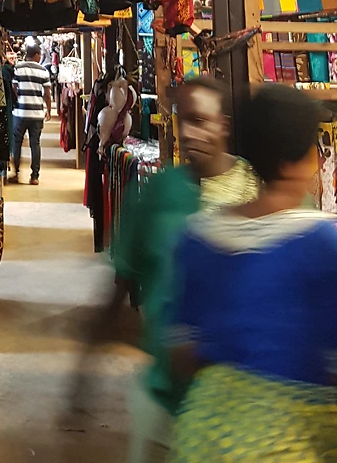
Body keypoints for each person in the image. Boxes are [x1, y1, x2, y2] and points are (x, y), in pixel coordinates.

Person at [167, 85, 337, 463]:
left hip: (201, 437)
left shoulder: (196, 235)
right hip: (284, 446)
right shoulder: (325, 244)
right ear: (306, 159)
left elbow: (181, 356)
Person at [111, 76, 258, 463]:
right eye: (183, 121)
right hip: (163, 398)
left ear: (223, 125)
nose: (190, 133)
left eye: (201, 121)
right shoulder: (158, 193)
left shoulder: (255, 194)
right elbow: (119, 284)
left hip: (237, 405)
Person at [8, 41, 52, 185]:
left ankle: (16, 172)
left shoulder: (18, 68)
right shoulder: (43, 71)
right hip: (37, 113)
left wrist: (19, 99)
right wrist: (48, 110)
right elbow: (47, 94)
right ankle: (34, 176)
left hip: (20, 112)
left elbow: (14, 88)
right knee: (35, 144)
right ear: (37, 55)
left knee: (17, 143)